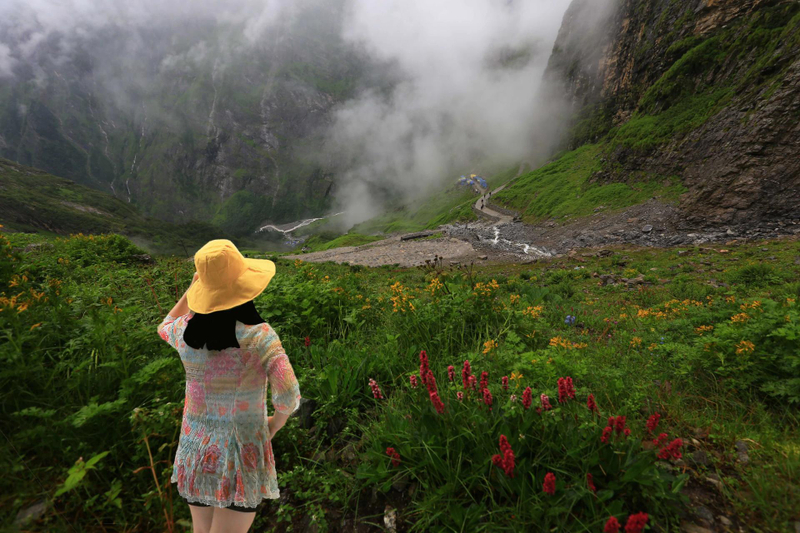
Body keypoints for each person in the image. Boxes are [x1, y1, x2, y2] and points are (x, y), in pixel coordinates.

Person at [157, 239, 301, 533]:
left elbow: (164, 326)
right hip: (240, 454)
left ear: (203, 292)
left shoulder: (185, 333)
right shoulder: (259, 336)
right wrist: (274, 424)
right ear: (245, 285)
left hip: (195, 451)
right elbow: (288, 393)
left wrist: (193, 289)